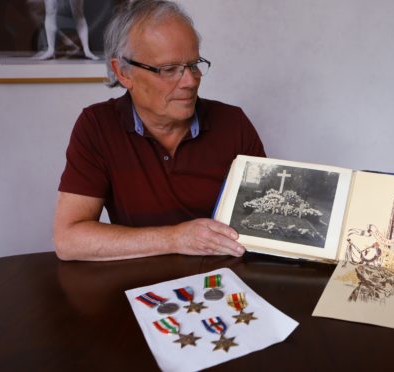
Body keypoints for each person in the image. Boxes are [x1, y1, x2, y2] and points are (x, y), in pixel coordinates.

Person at [54, 0, 265, 261]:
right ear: (123, 73)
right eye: (169, 70)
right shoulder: (97, 126)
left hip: (221, 283)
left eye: (193, 64)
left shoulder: (233, 123)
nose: (190, 81)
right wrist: (176, 238)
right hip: (138, 286)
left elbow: (262, 223)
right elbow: (69, 240)